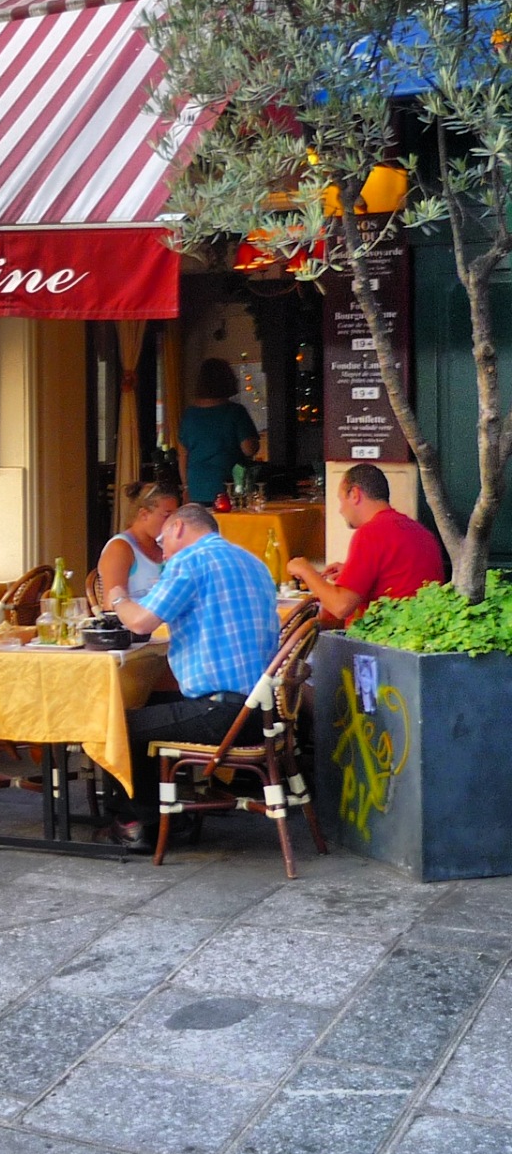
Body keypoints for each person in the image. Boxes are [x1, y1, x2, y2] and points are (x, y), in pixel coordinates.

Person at [104, 503, 280, 852]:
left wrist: (117, 597)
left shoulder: (191, 561)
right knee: (152, 704)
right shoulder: (253, 562)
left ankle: (138, 825)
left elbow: (140, 621)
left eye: (163, 537)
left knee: (112, 726)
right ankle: (168, 813)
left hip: (222, 713)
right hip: (259, 712)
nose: (162, 549)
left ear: (179, 527)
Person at [286, 462, 444, 625]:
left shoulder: (371, 533)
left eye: (341, 500)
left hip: (380, 640)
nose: (340, 510)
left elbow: (341, 606)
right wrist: (350, 570)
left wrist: (305, 570)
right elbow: (395, 575)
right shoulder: (420, 531)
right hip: (416, 634)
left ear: (355, 494)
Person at [178, 358, 259, 504]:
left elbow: (183, 455)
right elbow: (249, 449)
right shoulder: (236, 412)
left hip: (196, 487)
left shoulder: (190, 414)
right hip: (227, 487)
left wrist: (186, 486)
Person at [97, 482, 182, 602]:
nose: (172, 523)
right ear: (144, 514)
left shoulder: (165, 546)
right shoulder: (120, 548)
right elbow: (112, 605)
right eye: (166, 516)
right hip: (133, 619)